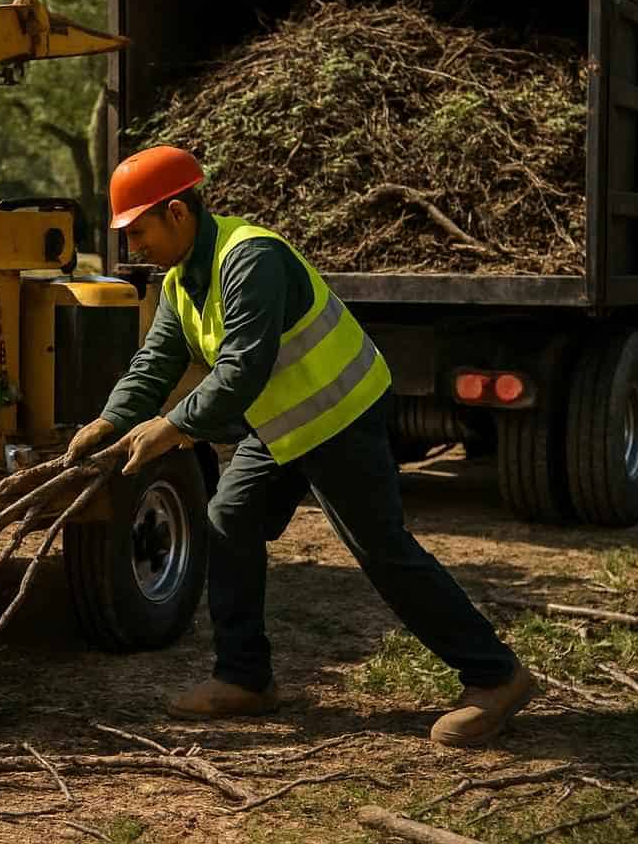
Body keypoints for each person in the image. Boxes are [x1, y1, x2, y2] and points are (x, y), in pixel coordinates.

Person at [66, 145, 533, 747]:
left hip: (340, 413)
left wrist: (172, 428)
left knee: (382, 550)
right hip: (284, 423)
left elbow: (240, 370)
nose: (134, 249)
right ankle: (245, 679)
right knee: (229, 517)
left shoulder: (250, 258)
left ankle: (496, 676)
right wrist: (107, 422)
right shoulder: (181, 280)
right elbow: (155, 362)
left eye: (139, 231)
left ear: (177, 213)